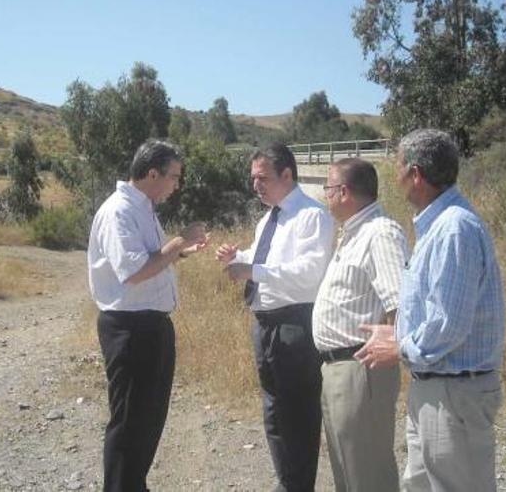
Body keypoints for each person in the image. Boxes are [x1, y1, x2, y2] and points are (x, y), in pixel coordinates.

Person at [359, 129, 506, 491]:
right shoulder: (439, 226)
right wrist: (398, 333)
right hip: (438, 388)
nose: (396, 178)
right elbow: (439, 314)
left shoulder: (453, 229)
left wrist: (400, 347)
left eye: (398, 168)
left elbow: (447, 324)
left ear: (416, 175)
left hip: (453, 394)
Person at [87, 139, 208, 492]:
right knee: (129, 424)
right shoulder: (119, 211)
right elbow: (134, 270)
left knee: (147, 421)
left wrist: (179, 251)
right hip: (130, 329)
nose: (176, 184)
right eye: (173, 177)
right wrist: (177, 242)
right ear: (152, 173)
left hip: (150, 327)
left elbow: (151, 258)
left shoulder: (143, 207)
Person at [216, 142, 334, 492]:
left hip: (295, 325)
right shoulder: (269, 218)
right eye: (253, 178)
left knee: (297, 414)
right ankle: (287, 483)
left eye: (262, 178)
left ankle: (298, 486)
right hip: (266, 324)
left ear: (287, 174)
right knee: (274, 414)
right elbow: (264, 256)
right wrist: (239, 256)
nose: (256, 185)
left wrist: (253, 270)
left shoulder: (312, 216)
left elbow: (309, 273)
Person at [312, 158, 407, 492]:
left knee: (367, 473)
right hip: (340, 368)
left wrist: (396, 343)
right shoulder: (355, 232)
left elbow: (400, 302)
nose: (325, 195)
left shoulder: (379, 233)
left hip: (361, 367)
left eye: (327, 188)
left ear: (344, 192)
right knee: (349, 471)